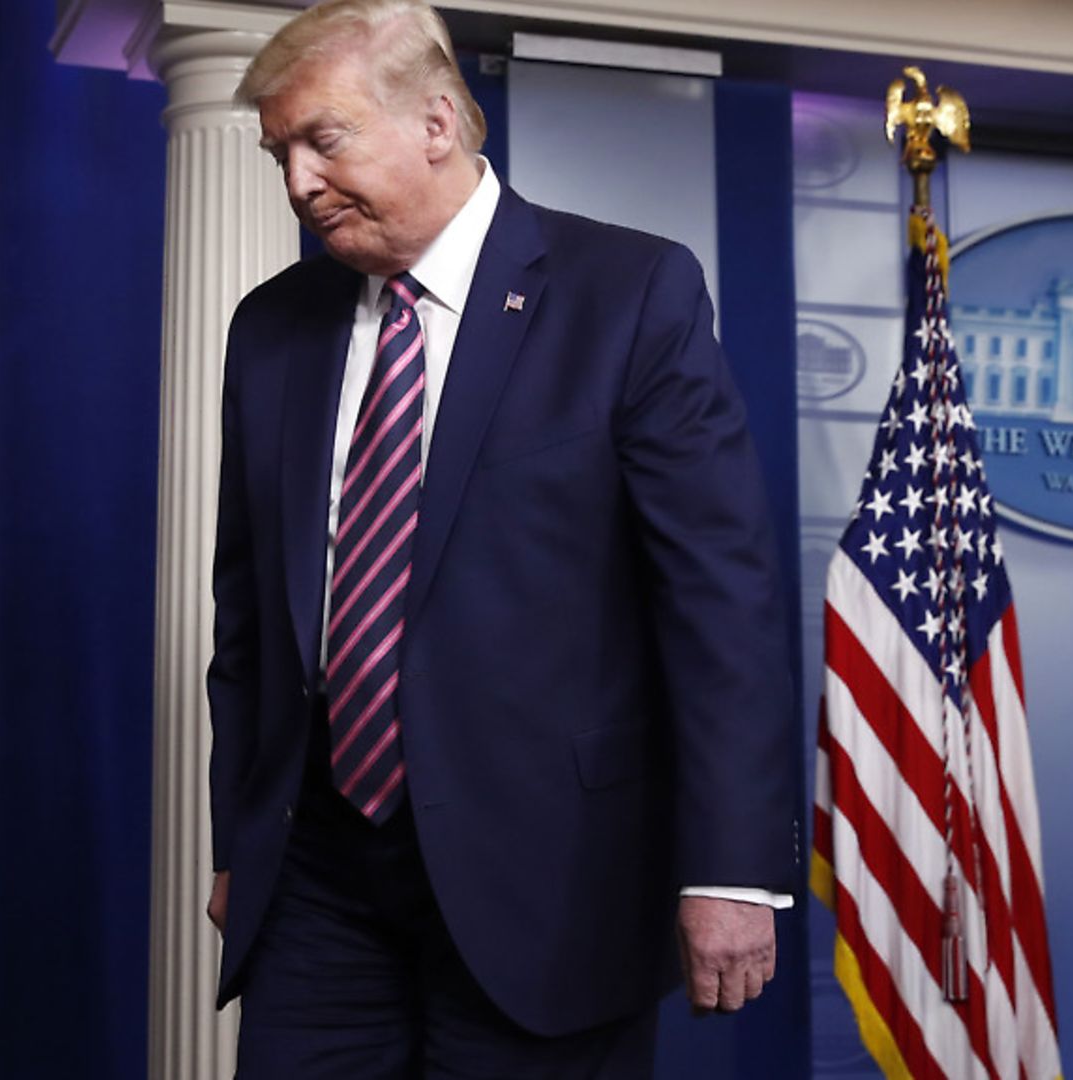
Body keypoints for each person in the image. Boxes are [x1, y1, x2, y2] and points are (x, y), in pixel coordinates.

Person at [199, 0, 798, 1075]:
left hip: (552, 880)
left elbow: (720, 604)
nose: (295, 183)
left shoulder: (631, 294)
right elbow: (246, 620)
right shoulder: (269, 327)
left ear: (435, 123)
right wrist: (238, 840)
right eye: (278, 151)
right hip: (320, 882)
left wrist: (730, 868)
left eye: (321, 141)